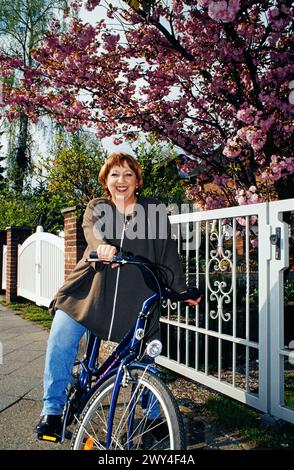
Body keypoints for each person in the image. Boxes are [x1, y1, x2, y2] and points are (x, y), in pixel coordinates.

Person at [35, 152, 201, 439]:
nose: (121, 180)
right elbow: (93, 233)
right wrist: (103, 248)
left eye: (127, 174)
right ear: (106, 181)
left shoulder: (155, 212)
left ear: (137, 180)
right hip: (87, 293)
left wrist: (181, 289)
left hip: (135, 297)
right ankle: (52, 410)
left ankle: (156, 417)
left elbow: (168, 254)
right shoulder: (97, 207)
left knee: (146, 355)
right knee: (60, 339)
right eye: (114, 174)